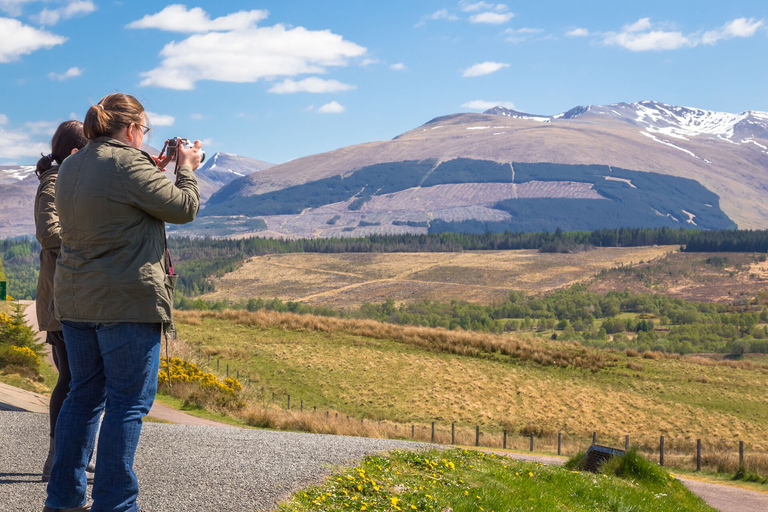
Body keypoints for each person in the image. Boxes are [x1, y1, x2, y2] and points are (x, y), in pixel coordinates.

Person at [43, 93, 202, 512]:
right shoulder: (127, 163)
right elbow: (183, 208)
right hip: (126, 304)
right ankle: (115, 504)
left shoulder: (73, 164)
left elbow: (111, 199)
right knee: (127, 405)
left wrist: (155, 168)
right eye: (144, 131)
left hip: (76, 302)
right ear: (132, 129)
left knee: (83, 396)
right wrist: (185, 169)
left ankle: (62, 500)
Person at [34, 120, 95, 484]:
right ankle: (58, 459)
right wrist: (93, 236)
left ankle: (73, 455)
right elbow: (48, 234)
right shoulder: (53, 183)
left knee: (77, 379)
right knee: (71, 379)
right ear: (75, 152)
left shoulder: (66, 179)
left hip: (73, 294)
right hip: (60, 299)